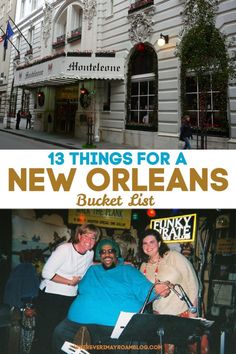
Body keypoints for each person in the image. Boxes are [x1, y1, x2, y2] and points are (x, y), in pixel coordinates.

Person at [53, 238, 171, 354]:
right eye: (103, 252)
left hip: (116, 325)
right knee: (59, 333)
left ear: (116, 253)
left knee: (133, 344)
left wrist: (157, 290)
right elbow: (82, 288)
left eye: (110, 251)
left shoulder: (128, 270)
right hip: (81, 321)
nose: (107, 254)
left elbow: (144, 289)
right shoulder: (92, 270)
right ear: (99, 255)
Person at [31, 223, 100, 354]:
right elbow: (46, 273)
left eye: (93, 238)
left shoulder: (89, 253)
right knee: (46, 333)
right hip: (51, 296)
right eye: (86, 236)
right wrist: (69, 282)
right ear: (79, 235)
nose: (89, 240)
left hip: (70, 297)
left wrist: (118, 262)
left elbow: (90, 265)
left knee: (61, 334)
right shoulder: (65, 249)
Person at [140, 229, 202, 354]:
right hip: (162, 315)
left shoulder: (173, 256)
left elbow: (192, 282)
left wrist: (193, 312)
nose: (148, 246)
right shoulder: (143, 266)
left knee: (199, 350)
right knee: (166, 352)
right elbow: (144, 292)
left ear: (159, 243)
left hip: (184, 311)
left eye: (152, 242)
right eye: (144, 243)